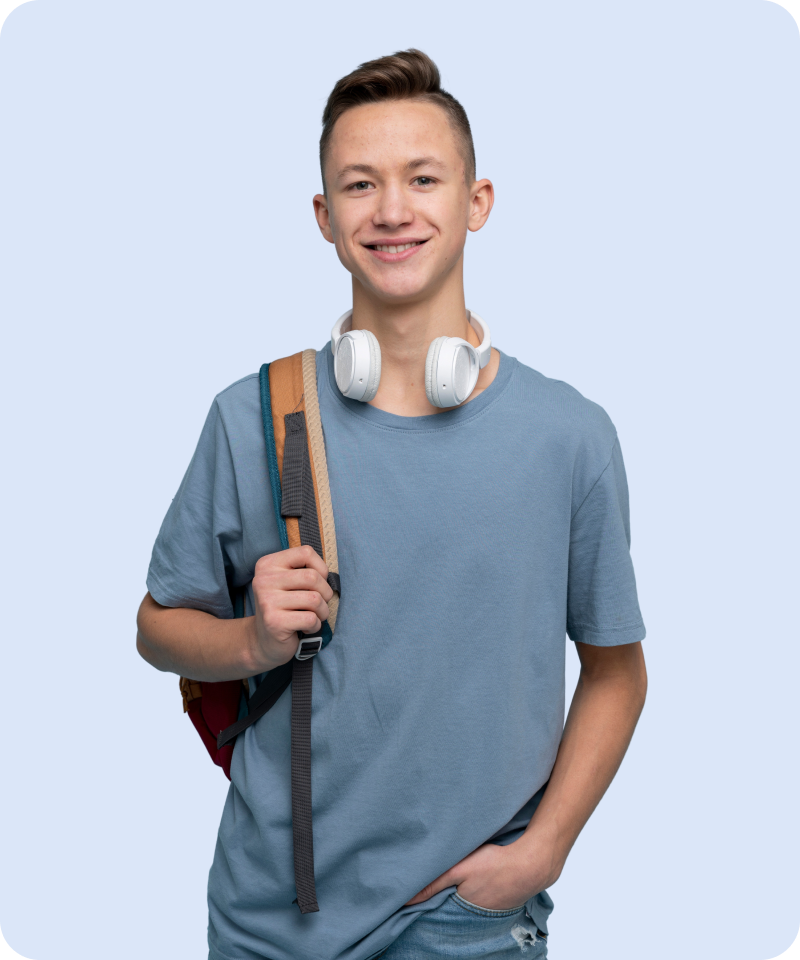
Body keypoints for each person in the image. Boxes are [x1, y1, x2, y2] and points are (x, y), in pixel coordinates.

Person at [136, 48, 647, 960]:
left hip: (466, 919)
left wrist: (542, 853)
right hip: (268, 920)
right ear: (326, 219)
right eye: (361, 185)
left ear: (476, 202)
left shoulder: (569, 435)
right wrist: (250, 639)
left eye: (423, 178)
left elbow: (616, 671)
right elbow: (156, 627)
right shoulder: (253, 416)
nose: (394, 210)